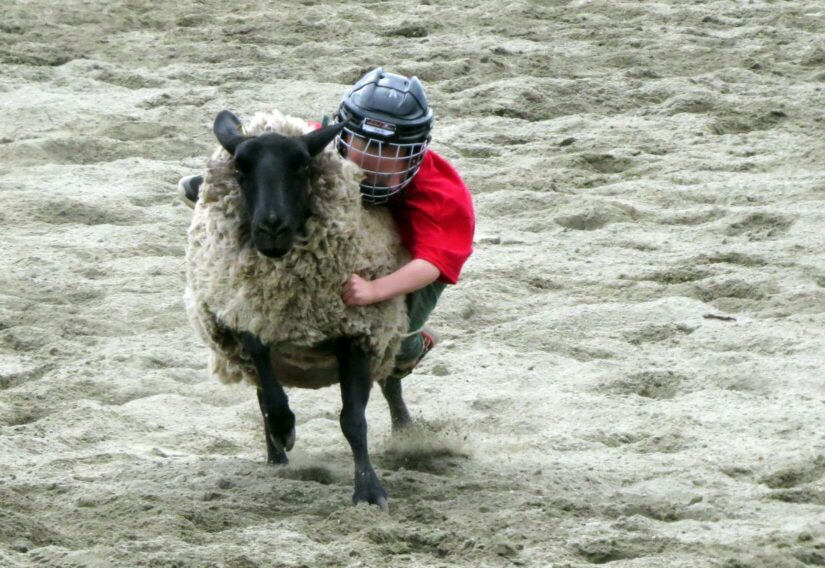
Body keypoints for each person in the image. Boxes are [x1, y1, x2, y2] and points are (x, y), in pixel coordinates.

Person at [178, 68, 475, 379]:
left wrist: (375, 290)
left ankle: (415, 346)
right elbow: (279, 150)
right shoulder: (331, 150)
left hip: (414, 256)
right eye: (364, 143)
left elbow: (431, 264)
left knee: (399, 337)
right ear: (343, 133)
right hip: (352, 234)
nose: (371, 160)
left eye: (390, 151)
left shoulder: (443, 196)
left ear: (416, 153)